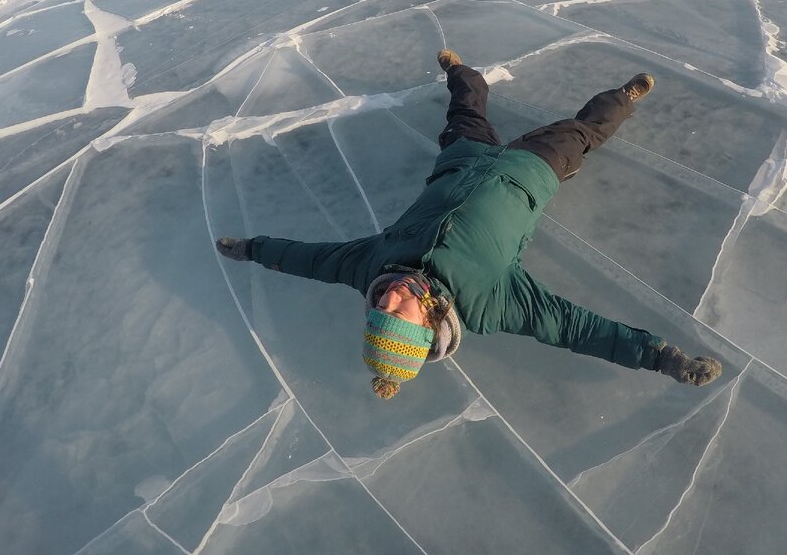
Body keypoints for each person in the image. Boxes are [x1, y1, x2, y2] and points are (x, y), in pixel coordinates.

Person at [216, 50, 722, 400]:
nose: (386, 298)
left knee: (464, 103)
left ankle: (459, 70)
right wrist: (663, 358)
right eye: (398, 314)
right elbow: (578, 329)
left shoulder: (369, 268)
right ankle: (626, 97)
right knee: (585, 131)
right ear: (428, 326)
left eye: (377, 311)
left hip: (462, 159)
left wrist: (251, 248)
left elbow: (309, 260)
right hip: (533, 170)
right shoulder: (491, 304)